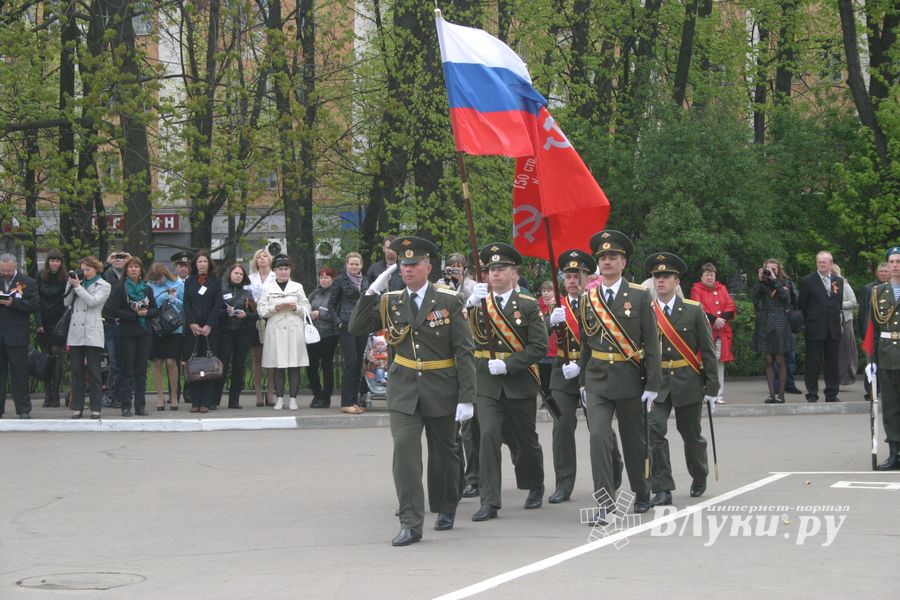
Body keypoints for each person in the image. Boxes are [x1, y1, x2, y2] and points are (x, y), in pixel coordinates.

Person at [348, 236, 475, 546]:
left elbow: (464, 351)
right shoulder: (390, 300)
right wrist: (371, 291)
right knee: (405, 453)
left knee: (444, 453)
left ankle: (445, 505)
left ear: (428, 267)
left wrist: (467, 398)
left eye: (414, 264)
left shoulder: (448, 300)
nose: (407, 269)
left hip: (441, 386)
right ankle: (410, 521)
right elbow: (356, 328)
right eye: (403, 265)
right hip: (404, 388)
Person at [577, 230, 660, 518]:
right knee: (598, 438)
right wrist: (582, 383)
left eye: (613, 257)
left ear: (624, 262)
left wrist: (653, 384)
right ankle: (605, 503)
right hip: (597, 380)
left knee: (634, 441)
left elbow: (651, 342)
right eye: (602, 257)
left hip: (630, 379)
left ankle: (642, 490)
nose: (607, 261)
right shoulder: (588, 299)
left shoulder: (639, 295)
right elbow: (585, 344)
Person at [466, 242, 547, 522]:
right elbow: (463, 336)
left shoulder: (527, 304)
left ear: (514, 273)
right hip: (487, 382)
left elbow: (539, 346)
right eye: (491, 269)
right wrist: (468, 305)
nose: (495, 273)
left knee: (524, 440)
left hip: (519, 381)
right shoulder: (479, 304)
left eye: (501, 269)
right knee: (488, 435)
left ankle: (534, 483)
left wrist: (509, 364)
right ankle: (489, 500)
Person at [547, 249, 624, 503]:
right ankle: (563, 484)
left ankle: (613, 465)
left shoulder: (597, 303)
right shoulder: (557, 306)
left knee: (598, 426)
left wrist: (581, 365)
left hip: (591, 369)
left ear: (587, 277)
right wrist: (549, 322)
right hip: (562, 370)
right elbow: (537, 337)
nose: (572, 281)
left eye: (577, 276)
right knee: (561, 426)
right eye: (568, 276)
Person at [644, 253, 719, 507]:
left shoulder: (693, 310)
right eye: (657, 276)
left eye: (666, 276)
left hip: (687, 380)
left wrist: (712, 387)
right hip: (657, 384)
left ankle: (699, 473)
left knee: (691, 435)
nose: (660, 280)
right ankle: (662, 488)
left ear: (676, 282)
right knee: (654, 431)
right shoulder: (647, 311)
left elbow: (707, 350)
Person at [257, 255, 311, 410]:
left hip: (294, 328)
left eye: (286, 269)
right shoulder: (267, 288)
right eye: (280, 269)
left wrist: (295, 308)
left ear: (290, 270)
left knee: (294, 365)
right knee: (278, 365)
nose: (283, 272)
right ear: (274, 270)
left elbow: (307, 308)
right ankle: (279, 398)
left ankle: (293, 399)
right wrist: (275, 308)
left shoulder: (297, 286)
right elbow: (261, 310)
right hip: (275, 329)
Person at [106, 257, 158, 417]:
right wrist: (133, 314)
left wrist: (146, 313)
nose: (134, 269)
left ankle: (140, 406)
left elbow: (155, 310)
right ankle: (126, 405)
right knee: (127, 369)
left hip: (144, 332)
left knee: (141, 370)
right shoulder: (120, 288)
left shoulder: (147, 289)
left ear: (141, 270)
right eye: (131, 267)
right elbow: (112, 310)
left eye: (136, 267)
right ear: (126, 270)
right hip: (126, 332)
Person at [866, 246, 900, 470]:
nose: (895, 266)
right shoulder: (878, 292)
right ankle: (895, 453)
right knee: (890, 406)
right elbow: (873, 328)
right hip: (887, 354)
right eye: (892, 262)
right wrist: (871, 359)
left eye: (899, 261)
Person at [64, 256, 111, 419]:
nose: (84, 272)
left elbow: (92, 302)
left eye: (88, 269)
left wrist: (78, 287)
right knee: (76, 371)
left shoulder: (104, 285)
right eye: (82, 269)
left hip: (92, 331)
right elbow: (66, 302)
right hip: (76, 331)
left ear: (96, 269)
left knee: (94, 371)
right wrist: (70, 284)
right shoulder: (78, 283)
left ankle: (95, 407)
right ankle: (77, 406)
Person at [798, 251, 844, 403]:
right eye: (819, 262)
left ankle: (831, 393)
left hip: (833, 329)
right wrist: (808, 322)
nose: (822, 264)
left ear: (831, 264)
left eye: (825, 262)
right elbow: (802, 305)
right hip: (815, 328)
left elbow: (837, 304)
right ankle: (812, 393)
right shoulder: (807, 281)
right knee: (813, 363)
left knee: (833, 363)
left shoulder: (838, 281)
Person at [328, 252, 370, 413]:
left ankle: (355, 400)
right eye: (351, 264)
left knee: (359, 363)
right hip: (346, 325)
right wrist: (338, 322)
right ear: (346, 265)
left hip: (362, 325)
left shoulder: (366, 280)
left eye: (357, 264)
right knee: (351, 362)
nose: (354, 266)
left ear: (361, 265)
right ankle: (346, 402)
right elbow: (331, 305)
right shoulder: (339, 281)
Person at [690, 263, 736, 405]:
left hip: (721, 331)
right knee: (704, 361)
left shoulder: (722, 288)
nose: (709, 277)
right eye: (706, 275)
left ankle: (718, 394)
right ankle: (705, 392)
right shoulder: (696, 289)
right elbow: (698, 307)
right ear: (701, 277)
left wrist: (721, 320)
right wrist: (714, 320)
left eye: (711, 275)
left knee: (719, 362)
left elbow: (730, 305)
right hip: (704, 331)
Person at [751, 258, 795, 403]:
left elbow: (786, 298)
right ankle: (771, 394)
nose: (770, 271)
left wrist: (775, 279)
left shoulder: (785, 282)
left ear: (778, 270)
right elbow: (754, 299)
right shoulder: (761, 283)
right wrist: (760, 280)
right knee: (769, 359)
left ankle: (781, 395)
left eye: (773, 269)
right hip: (764, 322)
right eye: (768, 269)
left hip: (780, 322)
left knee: (780, 359)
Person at [0, 253, 39, 418]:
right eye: (2, 270)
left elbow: (35, 305)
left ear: (15, 266)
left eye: (8, 271)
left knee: (19, 374)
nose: (5, 273)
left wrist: (13, 303)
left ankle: (23, 409)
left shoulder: (28, 282)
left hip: (17, 335)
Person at [182, 250, 221, 413]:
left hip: (209, 331)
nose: (202, 264)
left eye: (205, 261)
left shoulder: (215, 281)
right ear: (195, 264)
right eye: (200, 262)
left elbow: (217, 304)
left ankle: (206, 401)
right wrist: (192, 323)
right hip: (193, 330)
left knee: (208, 364)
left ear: (209, 264)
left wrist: (209, 326)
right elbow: (186, 303)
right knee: (194, 364)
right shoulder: (189, 281)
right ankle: (195, 401)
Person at [215, 263, 258, 409]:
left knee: (239, 365)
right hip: (225, 331)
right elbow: (215, 312)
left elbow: (255, 315)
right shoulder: (222, 291)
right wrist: (225, 312)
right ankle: (215, 399)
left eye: (240, 274)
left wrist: (246, 315)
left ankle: (234, 400)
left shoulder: (247, 293)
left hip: (243, 332)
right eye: (235, 273)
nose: (238, 276)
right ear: (230, 274)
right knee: (222, 364)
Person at [147, 262, 184, 410]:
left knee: (171, 362)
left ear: (165, 274)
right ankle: (160, 396)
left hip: (174, 327)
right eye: (155, 279)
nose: (158, 281)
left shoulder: (177, 284)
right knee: (157, 362)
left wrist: (173, 299)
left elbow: (185, 305)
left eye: (160, 278)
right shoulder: (149, 286)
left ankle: (174, 395)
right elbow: (149, 305)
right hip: (157, 328)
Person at [36, 249, 68, 408]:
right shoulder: (40, 276)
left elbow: (67, 301)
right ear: (48, 262)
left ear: (61, 263)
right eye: (52, 260)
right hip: (44, 320)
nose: (55, 263)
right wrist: (39, 323)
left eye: (58, 261)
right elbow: (36, 299)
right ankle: (47, 393)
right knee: (46, 357)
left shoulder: (66, 278)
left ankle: (55, 393)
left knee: (57, 355)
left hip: (59, 320)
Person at [306, 267, 340, 408]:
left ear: (333, 279)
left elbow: (336, 313)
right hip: (313, 334)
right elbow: (306, 308)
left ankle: (326, 397)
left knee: (327, 366)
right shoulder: (314, 293)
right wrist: (309, 314)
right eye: (321, 277)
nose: (323, 280)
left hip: (329, 334)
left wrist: (321, 314)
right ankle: (317, 394)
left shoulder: (336, 293)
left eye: (327, 277)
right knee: (311, 366)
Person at [100, 251, 129, 408]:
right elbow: (94, 279)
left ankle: (123, 395)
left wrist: (131, 262)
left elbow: (141, 282)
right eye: (116, 258)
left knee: (126, 362)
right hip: (110, 323)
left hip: (126, 324)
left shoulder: (131, 275)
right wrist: (107, 263)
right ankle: (114, 395)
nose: (119, 260)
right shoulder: (107, 274)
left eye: (122, 258)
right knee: (113, 362)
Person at [248, 248, 276, 406]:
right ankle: (258, 394)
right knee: (257, 358)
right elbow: (246, 298)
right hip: (255, 319)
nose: (262, 259)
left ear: (270, 260)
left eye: (265, 256)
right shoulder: (250, 278)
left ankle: (271, 393)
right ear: (255, 261)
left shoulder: (276, 276)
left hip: (272, 318)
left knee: (271, 357)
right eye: (259, 257)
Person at [860, 262, 890, 400]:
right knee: (871, 364)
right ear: (877, 273)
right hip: (872, 331)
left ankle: (886, 391)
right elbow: (863, 312)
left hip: (888, 332)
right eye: (881, 271)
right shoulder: (869, 288)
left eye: (886, 271)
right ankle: (871, 391)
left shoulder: (894, 288)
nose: (883, 274)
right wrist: (864, 333)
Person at [832, 264, 858, 386]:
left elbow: (853, 302)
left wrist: (838, 305)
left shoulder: (845, 285)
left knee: (845, 350)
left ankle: (845, 378)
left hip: (845, 321)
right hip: (831, 321)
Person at [537, 281, 558, 409]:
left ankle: (557, 398)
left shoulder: (559, 305)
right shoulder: (537, 306)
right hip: (544, 347)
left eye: (549, 291)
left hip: (556, 347)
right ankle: (547, 400)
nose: (546, 293)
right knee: (544, 376)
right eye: (544, 291)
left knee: (556, 376)